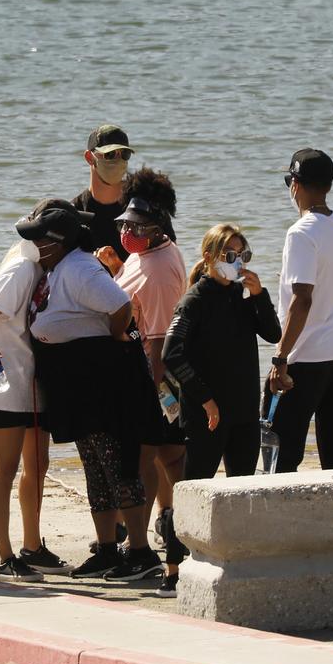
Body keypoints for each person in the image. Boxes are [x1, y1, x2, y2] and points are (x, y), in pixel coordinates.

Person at [19, 199, 163, 582]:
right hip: (75, 379)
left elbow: (121, 306)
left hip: (102, 380)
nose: (33, 247)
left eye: (38, 240)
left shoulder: (80, 268)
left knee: (119, 465)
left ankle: (141, 552)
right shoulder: (58, 266)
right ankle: (106, 550)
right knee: (95, 467)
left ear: (57, 241)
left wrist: (115, 336)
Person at [161, 223, 281, 595]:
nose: (237, 262)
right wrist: (204, 398)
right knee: (194, 485)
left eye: (242, 255)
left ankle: (234, 560)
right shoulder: (195, 299)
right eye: (230, 255)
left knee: (241, 487)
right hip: (207, 413)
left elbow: (274, 334)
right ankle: (173, 565)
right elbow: (171, 354)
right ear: (210, 257)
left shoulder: (243, 298)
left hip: (244, 410)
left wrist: (260, 295)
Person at [0, 243, 69, 581]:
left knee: (38, 464)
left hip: (31, 381)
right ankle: (4, 557)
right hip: (1, 380)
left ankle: (32, 547)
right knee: (5, 469)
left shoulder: (48, 268)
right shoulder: (21, 268)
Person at [106, 169, 188, 597]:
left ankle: (141, 551)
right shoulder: (149, 256)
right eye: (125, 224)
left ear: (156, 228)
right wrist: (117, 268)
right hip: (155, 378)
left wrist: (149, 398)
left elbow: (156, 341)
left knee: (141, 463)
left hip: (153, 378)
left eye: (136, 226)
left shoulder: (158, 271)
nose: (128, 231)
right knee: (169, 459)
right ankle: (177, 527)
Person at [267, 149, 333, 472]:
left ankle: (276, 517)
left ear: (295, 186)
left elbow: (302, 300)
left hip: (304, 355)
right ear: (328, 187)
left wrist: (281, 358)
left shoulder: (300, 232)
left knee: (280, 449)